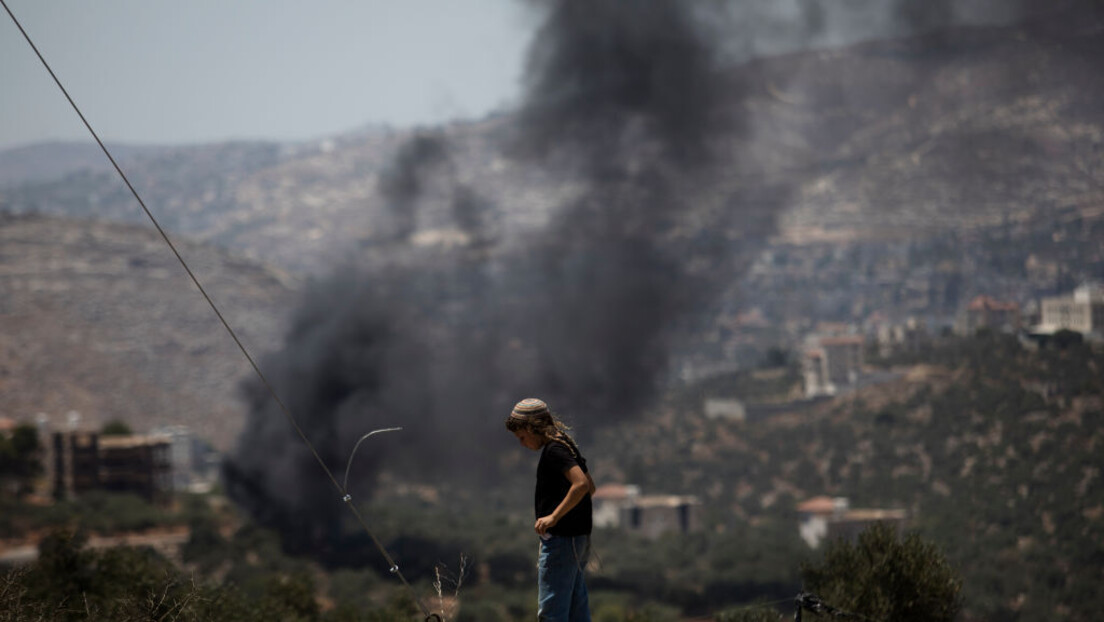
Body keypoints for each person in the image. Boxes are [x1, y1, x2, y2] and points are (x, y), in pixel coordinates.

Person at [506, 398, 596, 622]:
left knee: (552, 612)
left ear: (530, 427)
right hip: (578, 540)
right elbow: (590, 487)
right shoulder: (565, 443)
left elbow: (582, 485)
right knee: (576, 610)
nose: (522, 444)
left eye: (522, 437)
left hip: (561, 542)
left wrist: (554, 516)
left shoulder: (554, 450)